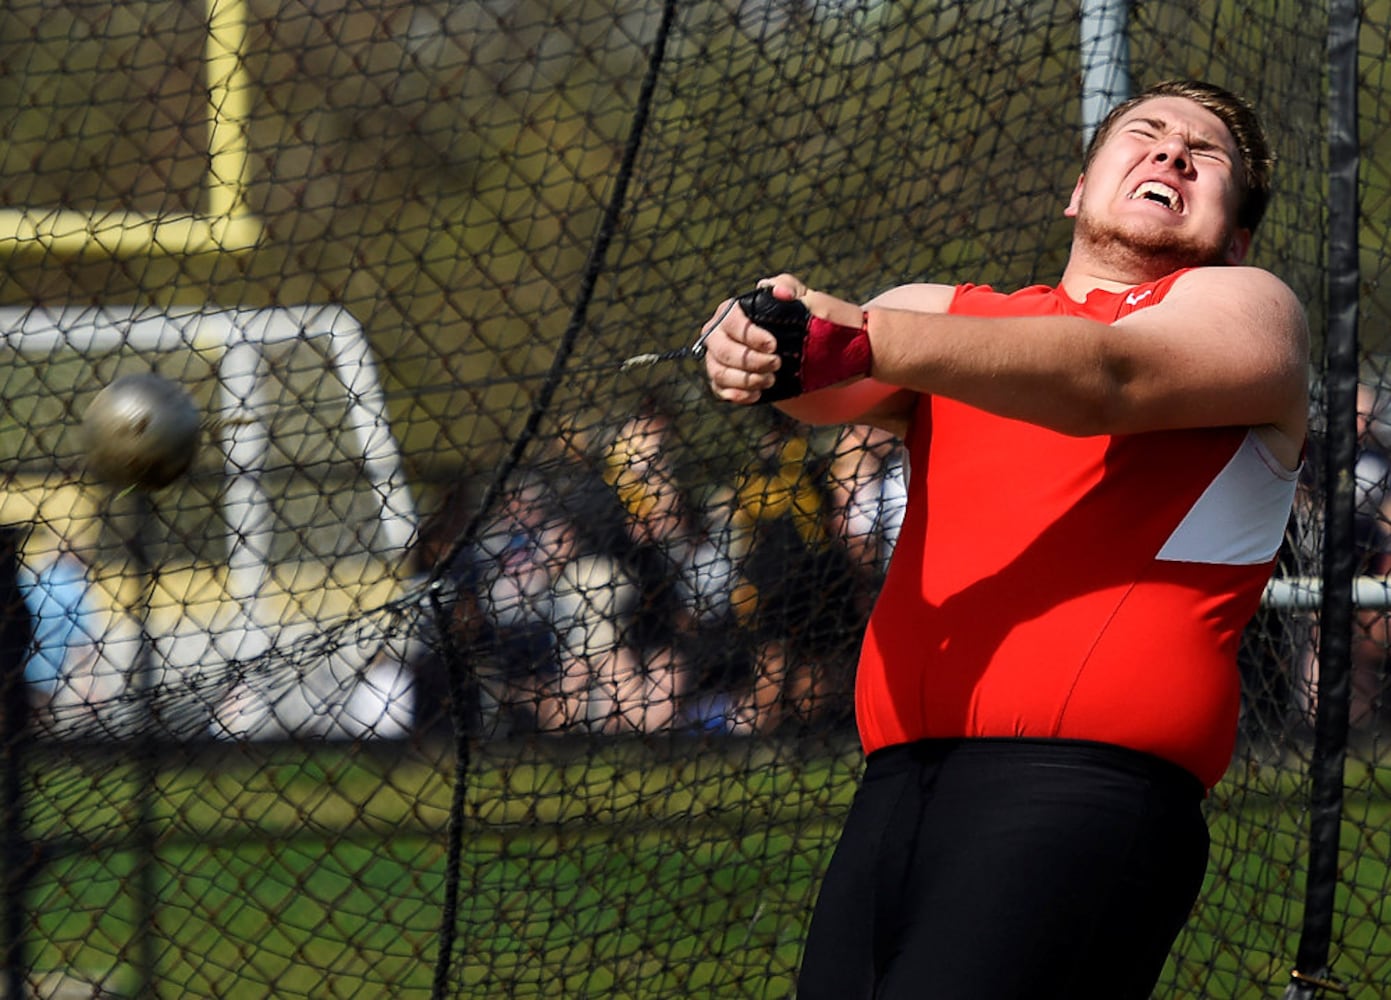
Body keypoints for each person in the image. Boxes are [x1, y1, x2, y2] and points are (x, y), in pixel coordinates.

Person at [700, 79, 1308, 1000]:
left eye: (1204, 153)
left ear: (1236, 236)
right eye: (1143, 133)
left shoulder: (1252, 311)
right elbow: (816, 385)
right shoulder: (940, 317)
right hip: (896, 789)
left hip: (1081, 797)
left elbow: (1104, 376)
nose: (1171, 153)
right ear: (1076, 189)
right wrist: (750, 335)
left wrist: (857, 337)